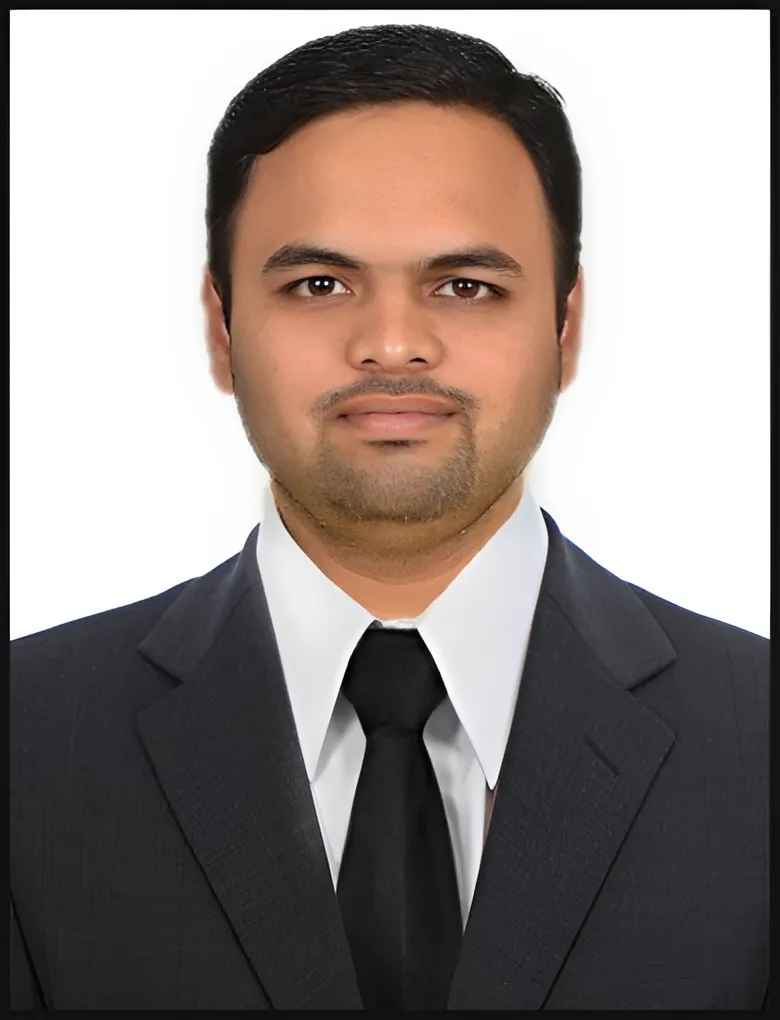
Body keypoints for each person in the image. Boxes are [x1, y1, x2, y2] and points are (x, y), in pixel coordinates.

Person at [10, 23, 768, 1012]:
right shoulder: (27, 741)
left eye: (466, 286)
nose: (394, 344)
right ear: (221, 327)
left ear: (566, 327)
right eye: (319, 284)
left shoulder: (756, 739)